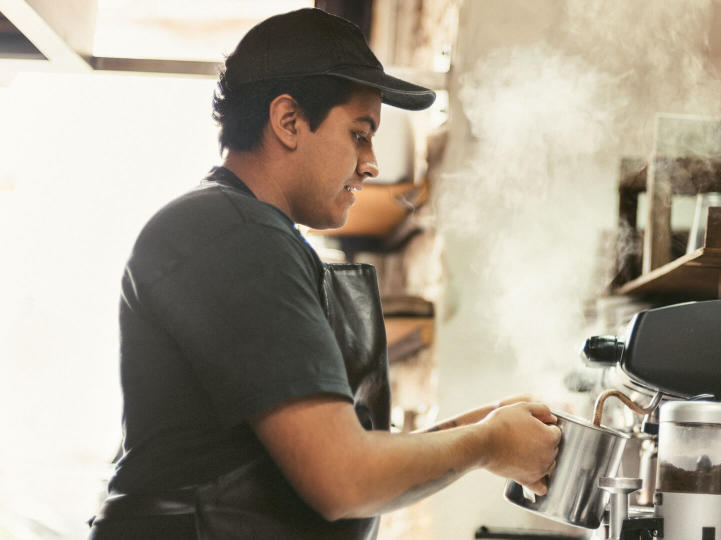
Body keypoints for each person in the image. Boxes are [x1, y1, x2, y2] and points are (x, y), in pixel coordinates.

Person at [87, 8, 561, 540]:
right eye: (360, 133)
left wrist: (480, 427)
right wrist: (488, 443)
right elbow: (344, 479)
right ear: (288, 120)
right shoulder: (234, 235)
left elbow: (332, 456)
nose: (372, 163)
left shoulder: (247, 232)